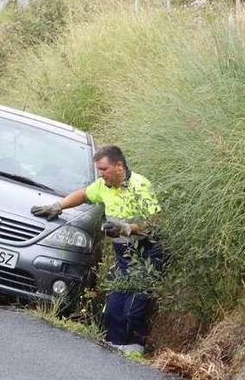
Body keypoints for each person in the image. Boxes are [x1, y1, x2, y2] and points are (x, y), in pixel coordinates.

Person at [30, 145, 163, 354]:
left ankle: (136, 351)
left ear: (119, 165)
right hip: (123, 255)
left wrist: (126, 228)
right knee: (112, 310)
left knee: (132, 310)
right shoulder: (103, 186)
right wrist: (58, 205)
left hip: (146, 252)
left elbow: (154, 223)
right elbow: (83, 195)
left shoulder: (140, 185)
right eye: (99, 170)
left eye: (104, 169)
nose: (101, 175)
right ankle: (114, 350)